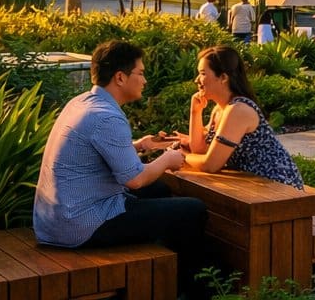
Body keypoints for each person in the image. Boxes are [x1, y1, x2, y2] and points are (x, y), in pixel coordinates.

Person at [33, 40, 208, 286]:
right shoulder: (107, 117)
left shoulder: (82, 103)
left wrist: (138, 145)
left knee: (159, 190)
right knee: (192, 210)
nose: (145, 80)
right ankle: (192, 289)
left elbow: (94, 150)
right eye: (141, 73)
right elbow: (135, 180)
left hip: (55, 220)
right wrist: (168, 159)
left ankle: (162, 268)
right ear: (120, 77)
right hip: (81, 226)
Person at [180, 45, 304, 188]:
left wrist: (183, 156)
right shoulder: (219, 109)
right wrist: (195, 112)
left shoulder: (238, 110)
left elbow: (211, 164)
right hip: (255, 184)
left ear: (223, 77)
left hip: (279, 187)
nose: (197, 80)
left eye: (202, 73)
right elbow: (200, 150)